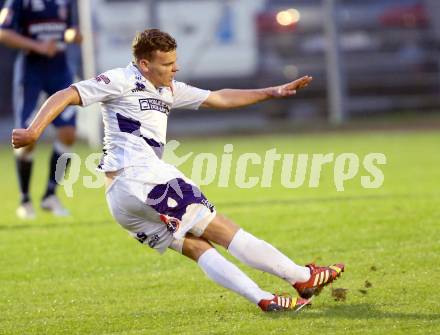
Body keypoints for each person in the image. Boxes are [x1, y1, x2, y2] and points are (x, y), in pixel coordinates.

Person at [11, 29, 344, 312]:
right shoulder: (120, 79)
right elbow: (66, 94)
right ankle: (301, 276)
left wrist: (269, 92)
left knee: (198, 248)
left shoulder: (168, 89)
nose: (175, 68)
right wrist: (34, 131)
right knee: (223, 230)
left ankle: (265, 299)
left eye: (174, 62)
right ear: (144, 64)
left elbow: (220, 98)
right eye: (167, 64)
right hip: (144, 178)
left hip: (122, 201)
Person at [0, 0, 82, 219]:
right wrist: (37, 46)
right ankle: (25, 199)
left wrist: (72, 36)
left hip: (60, 70)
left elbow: (68, 30)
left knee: (68, 132)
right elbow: (3, 33)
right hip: (31, 72)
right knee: (27, 138)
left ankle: (50, 195)